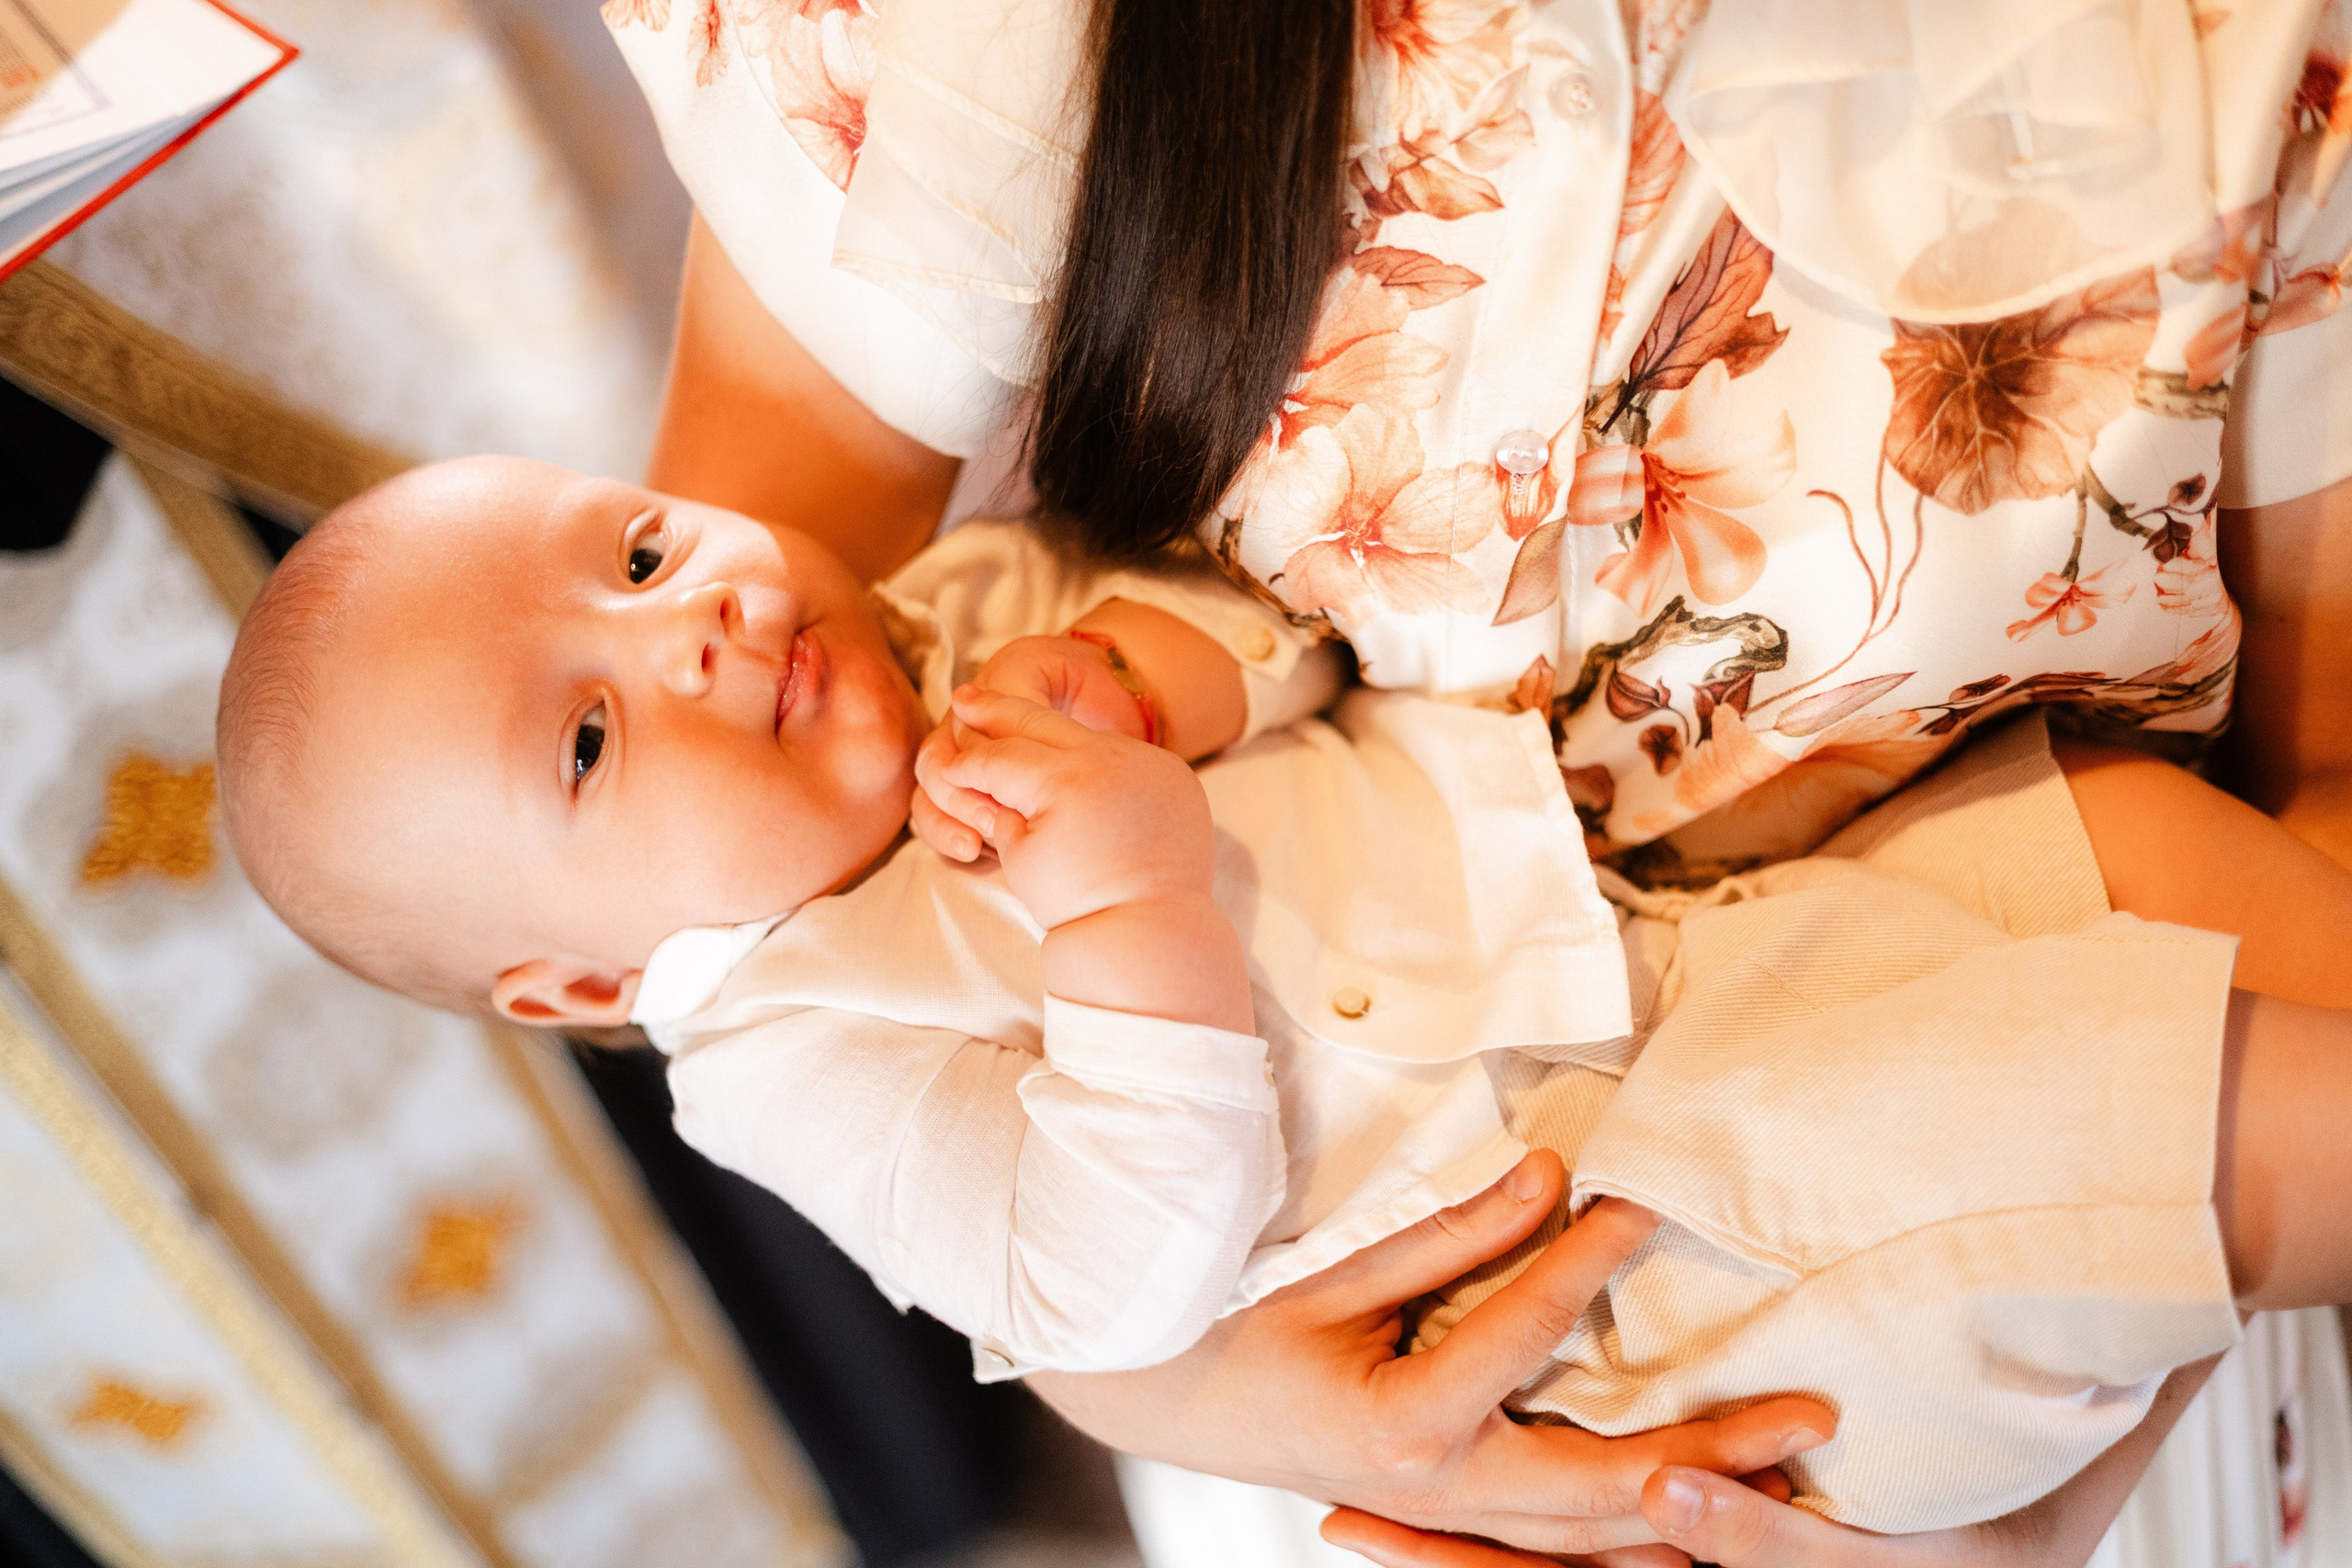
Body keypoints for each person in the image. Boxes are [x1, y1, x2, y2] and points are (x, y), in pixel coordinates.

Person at [601, 0, 2352, 1562]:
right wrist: (1219, 1394)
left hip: (1956, 1043)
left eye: (643, 566)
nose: (686, 624)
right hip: (1441, 1287)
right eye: (599, 700)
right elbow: (703, 895)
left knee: (2126, 897)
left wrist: (2066, 1449)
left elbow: (2324, 805)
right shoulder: (977, 42)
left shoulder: (2241, 57)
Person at [216, 454, 2352, 1540]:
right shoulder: (790, 1048)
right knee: (2109, 1120)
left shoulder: (947, 619)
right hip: (1617, 1244)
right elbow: (1103, 1283)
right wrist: (1124, 906)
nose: (686, 626)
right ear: (589, 977)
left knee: (2122, 844)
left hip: (1691, 949)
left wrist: (1150, 674)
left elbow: (1286, 628)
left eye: (639, 549)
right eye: (589, 735)